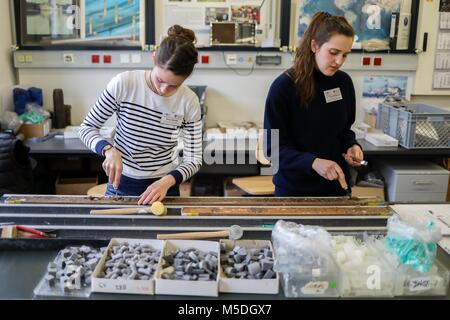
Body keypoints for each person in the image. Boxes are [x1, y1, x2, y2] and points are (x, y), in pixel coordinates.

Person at [79, 25, 202, 205]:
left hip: (164, 186)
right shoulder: (125, 83)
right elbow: (87, 128)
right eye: (160, 80)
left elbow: (194, 158)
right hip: (121, 183)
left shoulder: (189, 100)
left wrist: (167, 181)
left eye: (173, 86)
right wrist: (108, 150)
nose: (163, 90)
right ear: (154, 58)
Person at [264, 12, 364, 197]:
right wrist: (313, 162)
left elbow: (344, 131)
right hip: (295, 191)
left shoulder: (343, 83)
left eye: (345, 55)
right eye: (333, 53)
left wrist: (351, 146)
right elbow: (274, 149)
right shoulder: (284, 87)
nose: (339, 61)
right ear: (314, 46)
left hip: (335, 187)